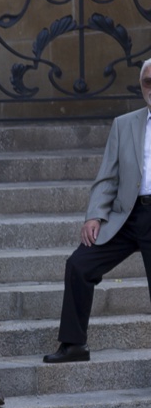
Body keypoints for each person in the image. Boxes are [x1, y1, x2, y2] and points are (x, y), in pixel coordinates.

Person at [45, 58, 151, 364]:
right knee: (79, 265)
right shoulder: (125, 123)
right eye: (147, 82)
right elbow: (107, 177)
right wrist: (94, 215)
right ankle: (74, 344)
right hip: (127, 216)